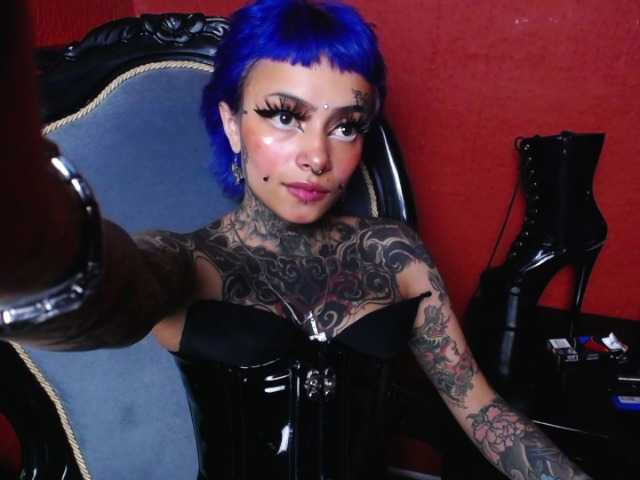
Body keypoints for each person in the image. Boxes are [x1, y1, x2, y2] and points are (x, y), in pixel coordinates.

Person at [1, 0, 592, 479]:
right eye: (285, 115)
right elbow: (105, 298)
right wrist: (31, 234)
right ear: (233, 125)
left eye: (346, 126)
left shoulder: (393, 252)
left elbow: (481, 411)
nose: (317, 156)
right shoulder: (183, 260)